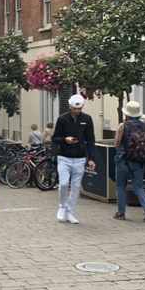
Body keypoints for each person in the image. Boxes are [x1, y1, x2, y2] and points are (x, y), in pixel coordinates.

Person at [52, 94, 96, 224]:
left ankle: (70, 212)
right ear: (70, 106)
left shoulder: (87, 119)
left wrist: (91, 158)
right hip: (64, 156)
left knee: (76, 186)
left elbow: (90, 139)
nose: (77, 111)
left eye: (79, 108)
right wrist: (65, 140)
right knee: (64, 183)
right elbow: (55, 138)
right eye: (75, 108)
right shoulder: (62, 119)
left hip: (80, 157)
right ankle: (62, 206)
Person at [113, 99, 145, 222]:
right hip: (139, 160)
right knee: (138, 186)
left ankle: (121, 212)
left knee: (120, 185)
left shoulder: (123, 125)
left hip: (123, 159)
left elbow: (117, 142)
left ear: (127, 113)